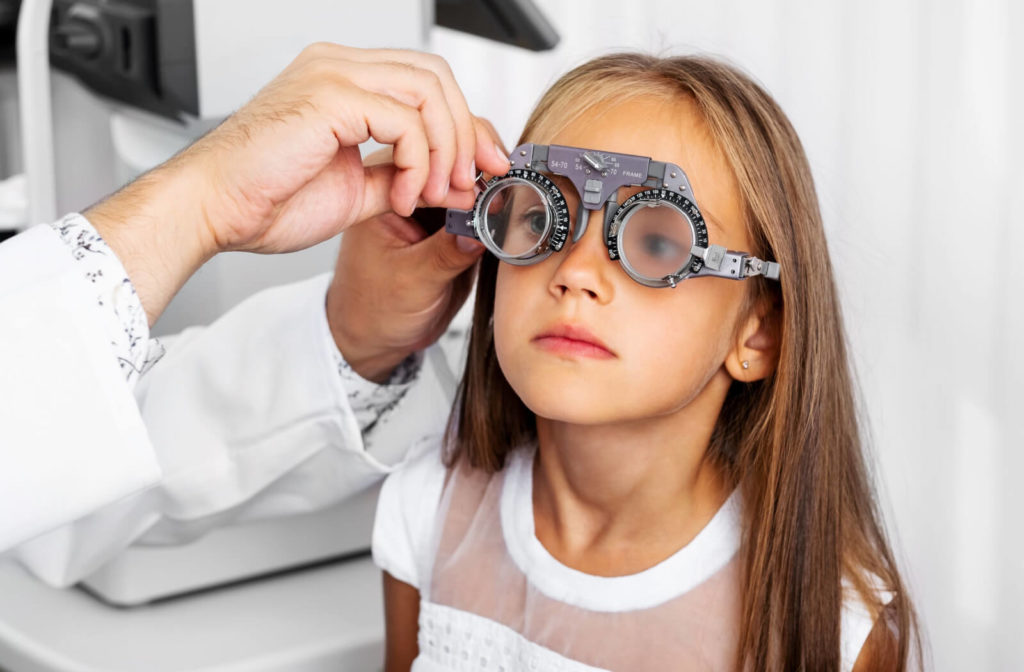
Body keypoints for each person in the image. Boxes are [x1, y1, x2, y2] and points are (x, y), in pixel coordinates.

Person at [370, 53, 920, 671]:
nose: (575, 273)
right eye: (539, 217)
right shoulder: (428, 509)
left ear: (757, 333)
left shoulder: (837, 626)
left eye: (657, 242)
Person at [0, 42, 511, 581]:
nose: (577, 280)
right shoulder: (429, 517)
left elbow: (51, 448)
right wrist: (200, 201)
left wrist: (351, 339)